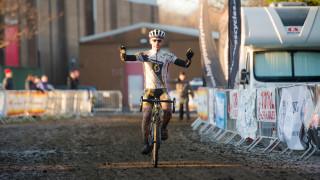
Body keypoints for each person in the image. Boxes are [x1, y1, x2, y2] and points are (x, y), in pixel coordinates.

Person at [120, 29, 194, 155]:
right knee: (147, 114)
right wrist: (123, 53)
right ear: (150, 41)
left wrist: (189, 58)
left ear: (162, 41)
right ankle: (145, 143)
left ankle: (163, 128)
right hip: (149, 90)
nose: (156, 43)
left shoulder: (167, 56)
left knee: (168, 111)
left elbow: (185, 65)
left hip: (162, 90)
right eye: (154, 40)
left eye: (159, 41)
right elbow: (127, 58)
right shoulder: (144, 54)